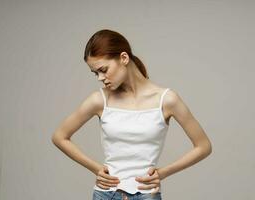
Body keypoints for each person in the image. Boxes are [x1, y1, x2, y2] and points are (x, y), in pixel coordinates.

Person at [51, 29, 212, 200]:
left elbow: (204, 146)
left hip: (146, 195)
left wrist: (163, 173)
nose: (100, 78)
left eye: (103, 69)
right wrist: (95, 168)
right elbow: (59, 136)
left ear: (124, 58)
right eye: (95, 73)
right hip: (105, 195)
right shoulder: (99, 99)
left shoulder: (166, 100)